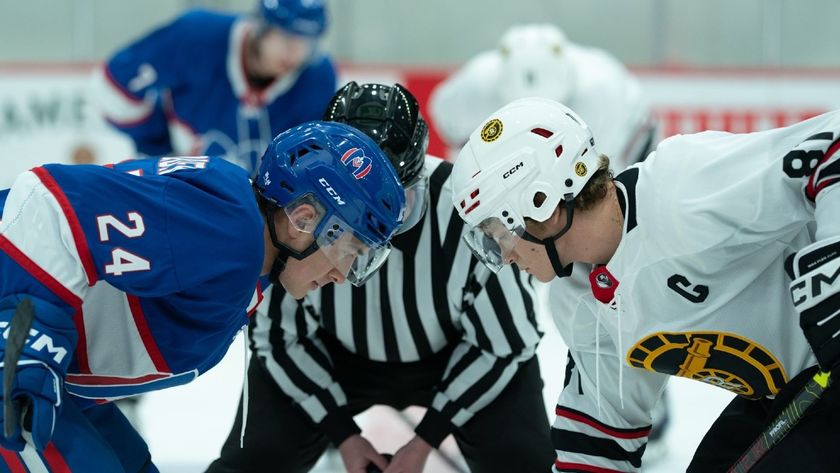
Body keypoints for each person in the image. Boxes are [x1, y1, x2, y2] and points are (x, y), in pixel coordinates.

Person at [449, 96, 840, 472]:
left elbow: (832, 145)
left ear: (542, 204)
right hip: (794, 392)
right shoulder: (579, 302)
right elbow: (598, 442)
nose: (504, 255)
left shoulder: (683, 188)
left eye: (497, 231)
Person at [0, 121, 404, 472]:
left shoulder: (247, 257)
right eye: (347, 251)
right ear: (303, 219)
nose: (340, 274)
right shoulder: (228, 229)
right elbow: (49, 204)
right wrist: (28, 339)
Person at [207, 82, 555, 473]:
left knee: (523, 463)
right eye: (360, 202)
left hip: (454, 357)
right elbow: (278, 337)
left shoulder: (466, 206)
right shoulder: (297, 216)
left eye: (396, 198)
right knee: (254, 462)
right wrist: (344, 435)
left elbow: (506, 340)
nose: (381, 225)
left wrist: (424, 442)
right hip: (333, 356)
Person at [92, 0, 336, 174]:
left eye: (307, 42)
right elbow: (117, 87)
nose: (295, 52)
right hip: (183, 191)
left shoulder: (317, 77)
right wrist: (159, 148)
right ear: (261, 27)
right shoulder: (197, 36)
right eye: (285, 37)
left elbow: (311, 163)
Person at [429, 23, 656, 169]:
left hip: (635, 135)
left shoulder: (605, 93)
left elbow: (603, 175)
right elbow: (452, 135)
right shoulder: (474, 87)